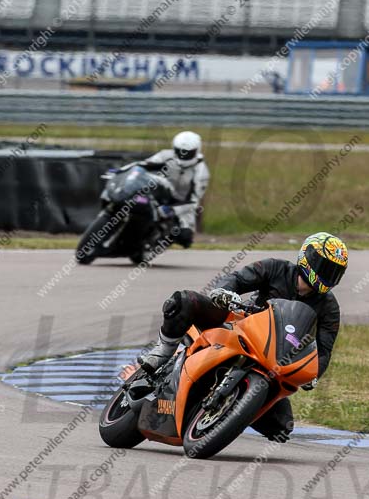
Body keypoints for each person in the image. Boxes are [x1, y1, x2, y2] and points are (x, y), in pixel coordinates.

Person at [140, 231, 348, 442]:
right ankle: (163, 350)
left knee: (282, 427)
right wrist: (224, 292)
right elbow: (238, 279)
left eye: (334, 272)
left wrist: (313, 374)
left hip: (274, 357)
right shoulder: (275, 267)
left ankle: (228, 409)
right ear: (308, 258)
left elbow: (324, 349)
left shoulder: (329, 307)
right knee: (184, 300)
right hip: (240, 325)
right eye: (325, 267)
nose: (328, 275)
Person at [141, 131, 210, 249]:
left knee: (184, 237)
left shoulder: (201, 172)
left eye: (189, 153)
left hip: (181, 205)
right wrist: (122, 171)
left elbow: (194, 202)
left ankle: (152, 244)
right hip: (158, 194)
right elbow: (143, 165)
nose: (184, 155)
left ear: (197, 150)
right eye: (180, 151)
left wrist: (171, 209)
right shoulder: (165, 155)